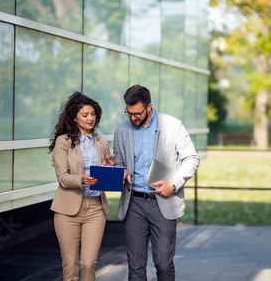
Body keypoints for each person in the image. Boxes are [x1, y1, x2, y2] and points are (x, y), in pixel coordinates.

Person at [114, 85, 200, 281]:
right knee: (135, 266)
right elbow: (120, 162)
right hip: (133, 203)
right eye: (129, 113)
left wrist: (174, 184)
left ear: (149, 106)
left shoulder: (173, 125)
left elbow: (192, 159)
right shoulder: (121, 131)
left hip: (163, 201)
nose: (132, 118)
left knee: (163, 263)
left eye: (137, 113)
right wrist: (121, 170)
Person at [49, 91, 116, 281]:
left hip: (95, 208)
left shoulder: (102, 142)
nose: (90, 118)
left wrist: (107, 168)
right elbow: (62, 177)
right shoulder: (63, 142)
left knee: (88, 264)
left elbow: (101, 176)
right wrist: (82, 179)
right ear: (74, 117)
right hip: (67, 210)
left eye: (93, 114)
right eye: (85, 115)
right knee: (70, 266)